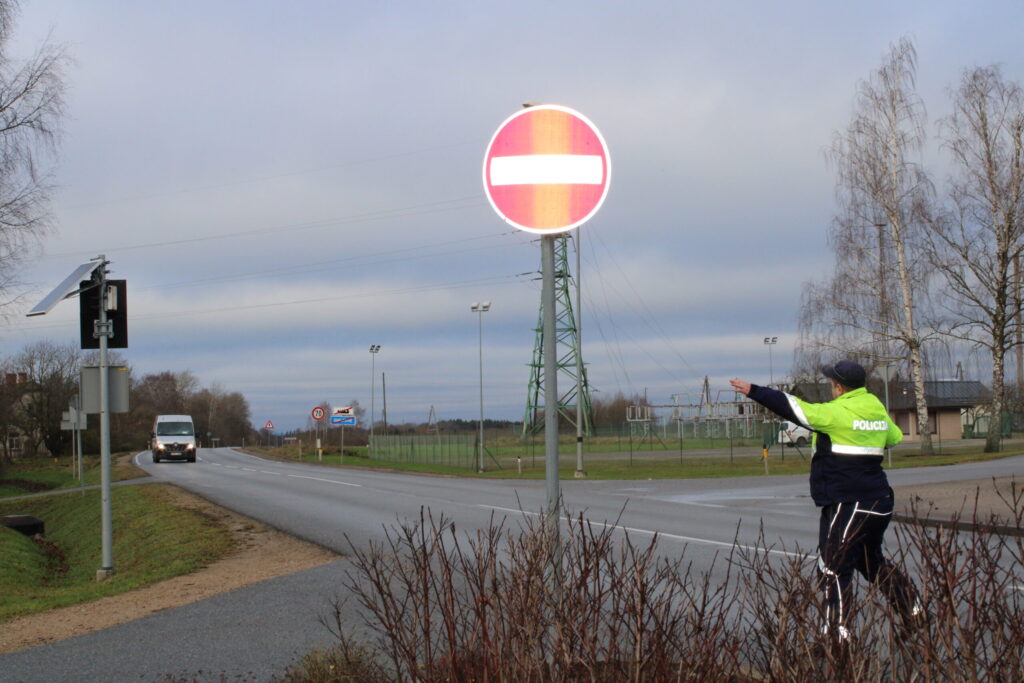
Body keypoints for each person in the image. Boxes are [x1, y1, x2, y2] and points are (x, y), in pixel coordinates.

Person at [730, 360, 922, 641]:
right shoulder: (876, 408)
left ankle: (837, 638)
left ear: (839, 387)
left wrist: (754, 391)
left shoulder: (835, 412)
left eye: (832, 383)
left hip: (848, 502)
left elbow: (793, 408)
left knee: (833, 568)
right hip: (879, 500)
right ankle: (914, 611)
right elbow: (893, 438)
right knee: (870, 562)